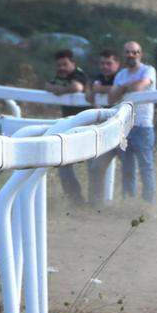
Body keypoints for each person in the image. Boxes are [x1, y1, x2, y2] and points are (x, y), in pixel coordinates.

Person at [108, 41, 157, 204]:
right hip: (124, 127)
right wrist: (125, 87)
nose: (131, 55)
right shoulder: (121, 74)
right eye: (128, 52)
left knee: (146, 167)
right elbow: (111, 98)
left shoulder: (148, 70)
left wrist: (122, 88)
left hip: (143, 126)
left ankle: (148, 204)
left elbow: (140, 87)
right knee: (127, 169)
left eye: (135, 52)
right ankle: (128, 203)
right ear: (124, 54)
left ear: (140, 54)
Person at [45, 48, 89, 206]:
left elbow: (78, 87)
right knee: (63, 162)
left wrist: (60, 91)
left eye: (65, 64)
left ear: (73, 63)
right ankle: (75, 199)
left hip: (86, 127)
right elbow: (47, 85)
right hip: (68, 127)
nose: (61, 68)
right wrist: (58, 89)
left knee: (94, 165)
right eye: (59, 65)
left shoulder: (78, 74)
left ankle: (93, 200)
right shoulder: (60, 76)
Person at [86, 49, 121, 207]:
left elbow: (122, 88)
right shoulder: (98, 78)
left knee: (129, 170)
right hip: (105, 132)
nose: (105, 66)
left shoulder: (122, 76)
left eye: (109, 63)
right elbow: (88, 92)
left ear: (117, 64)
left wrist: (99, 89)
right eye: (102, 63)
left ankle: (130, 204)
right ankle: (96, 203)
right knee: (96, 168)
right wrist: (90, 89)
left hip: (124, 131)